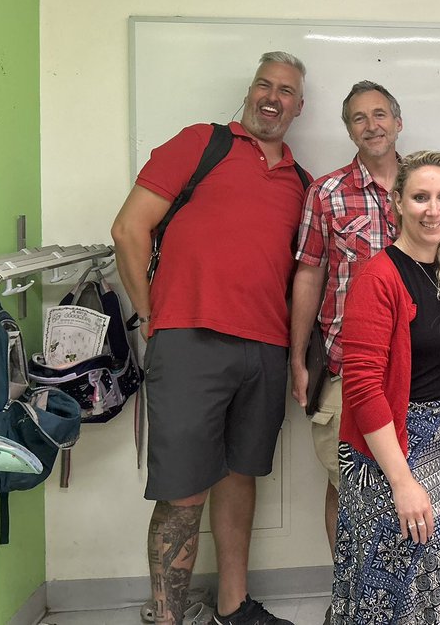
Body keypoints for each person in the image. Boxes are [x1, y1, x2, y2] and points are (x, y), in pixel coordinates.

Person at [111, 52, 309, 625]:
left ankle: (232, 608)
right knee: (183, 489)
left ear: (299, 107)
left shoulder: (302, 183)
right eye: (265, 85)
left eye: (286, 91)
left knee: (240, 476)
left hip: (266, 348)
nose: (273, 97)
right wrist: (150, 314)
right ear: (250, 91)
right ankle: (167, 617)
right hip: (189, 339)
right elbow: (128, 228)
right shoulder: (202, 143)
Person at [332, 151, 440, 624]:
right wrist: (402, 482)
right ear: (397, 202)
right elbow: (362, 389)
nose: (433, 209)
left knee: (434, 577)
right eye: (421, 197)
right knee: (387, 585)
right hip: (389, 450)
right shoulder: (378, 277)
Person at [290, 80, 402, 560]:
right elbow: (309, 274)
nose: (371, 125)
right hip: (346, 366)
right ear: (349, 130)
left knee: (413, 485)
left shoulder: (429, 186)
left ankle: (397, 590)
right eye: (359, 118)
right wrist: (298, 358)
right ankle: (350, 588)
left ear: (397, 122)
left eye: (380, 114)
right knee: (347, 484)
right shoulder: (326, 193)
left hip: (419, 368)